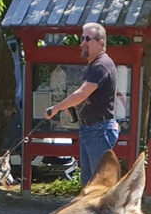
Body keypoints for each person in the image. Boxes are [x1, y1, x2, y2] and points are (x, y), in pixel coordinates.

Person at [46, 21, 119, 181]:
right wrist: (72, 105)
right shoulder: (93, 66)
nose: (82, 43)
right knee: (88, 185)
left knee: (99, 185)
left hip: (99, 131)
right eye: (81, 38)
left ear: (101, 43)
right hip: (91, 130)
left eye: (87, 38)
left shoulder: (101, 65)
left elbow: (82, 93)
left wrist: (57, 107)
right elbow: (86, 95)